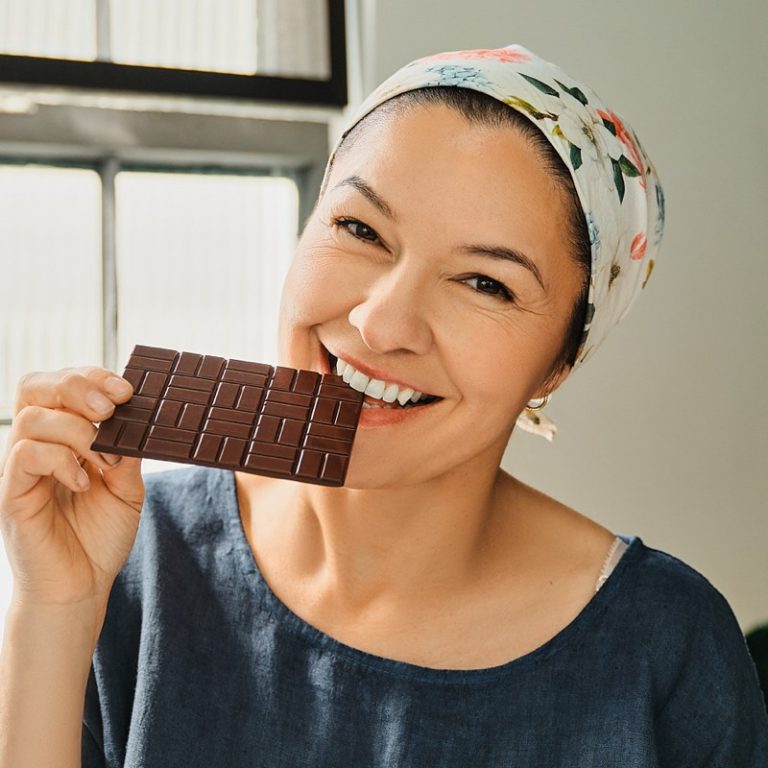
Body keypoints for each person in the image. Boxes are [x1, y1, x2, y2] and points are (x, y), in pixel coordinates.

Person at [1, 44, 766, 767]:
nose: (380, 324)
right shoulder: (132, 552)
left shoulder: (666, 645)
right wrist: (55, 609)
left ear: (558, 365)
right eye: (359, 228)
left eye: (484, 283)